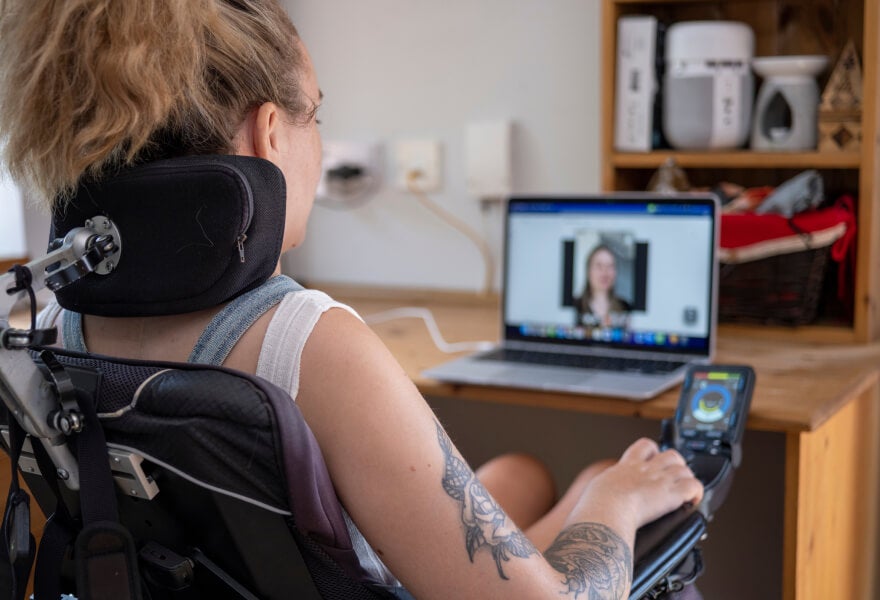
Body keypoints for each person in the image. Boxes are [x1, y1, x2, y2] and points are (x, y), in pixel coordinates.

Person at [0, 2, 703, 598]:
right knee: (596, 479)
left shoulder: (54, 326)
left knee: (521, 474)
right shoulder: (308, 343)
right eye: (318, 116)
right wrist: (620, 497)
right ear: (269, 132)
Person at [576, 244, 633, 329]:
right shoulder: (575, 307)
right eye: (599, 266)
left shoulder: (626, 308)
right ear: (588, 270)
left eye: (610, 266)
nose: (605, 272)